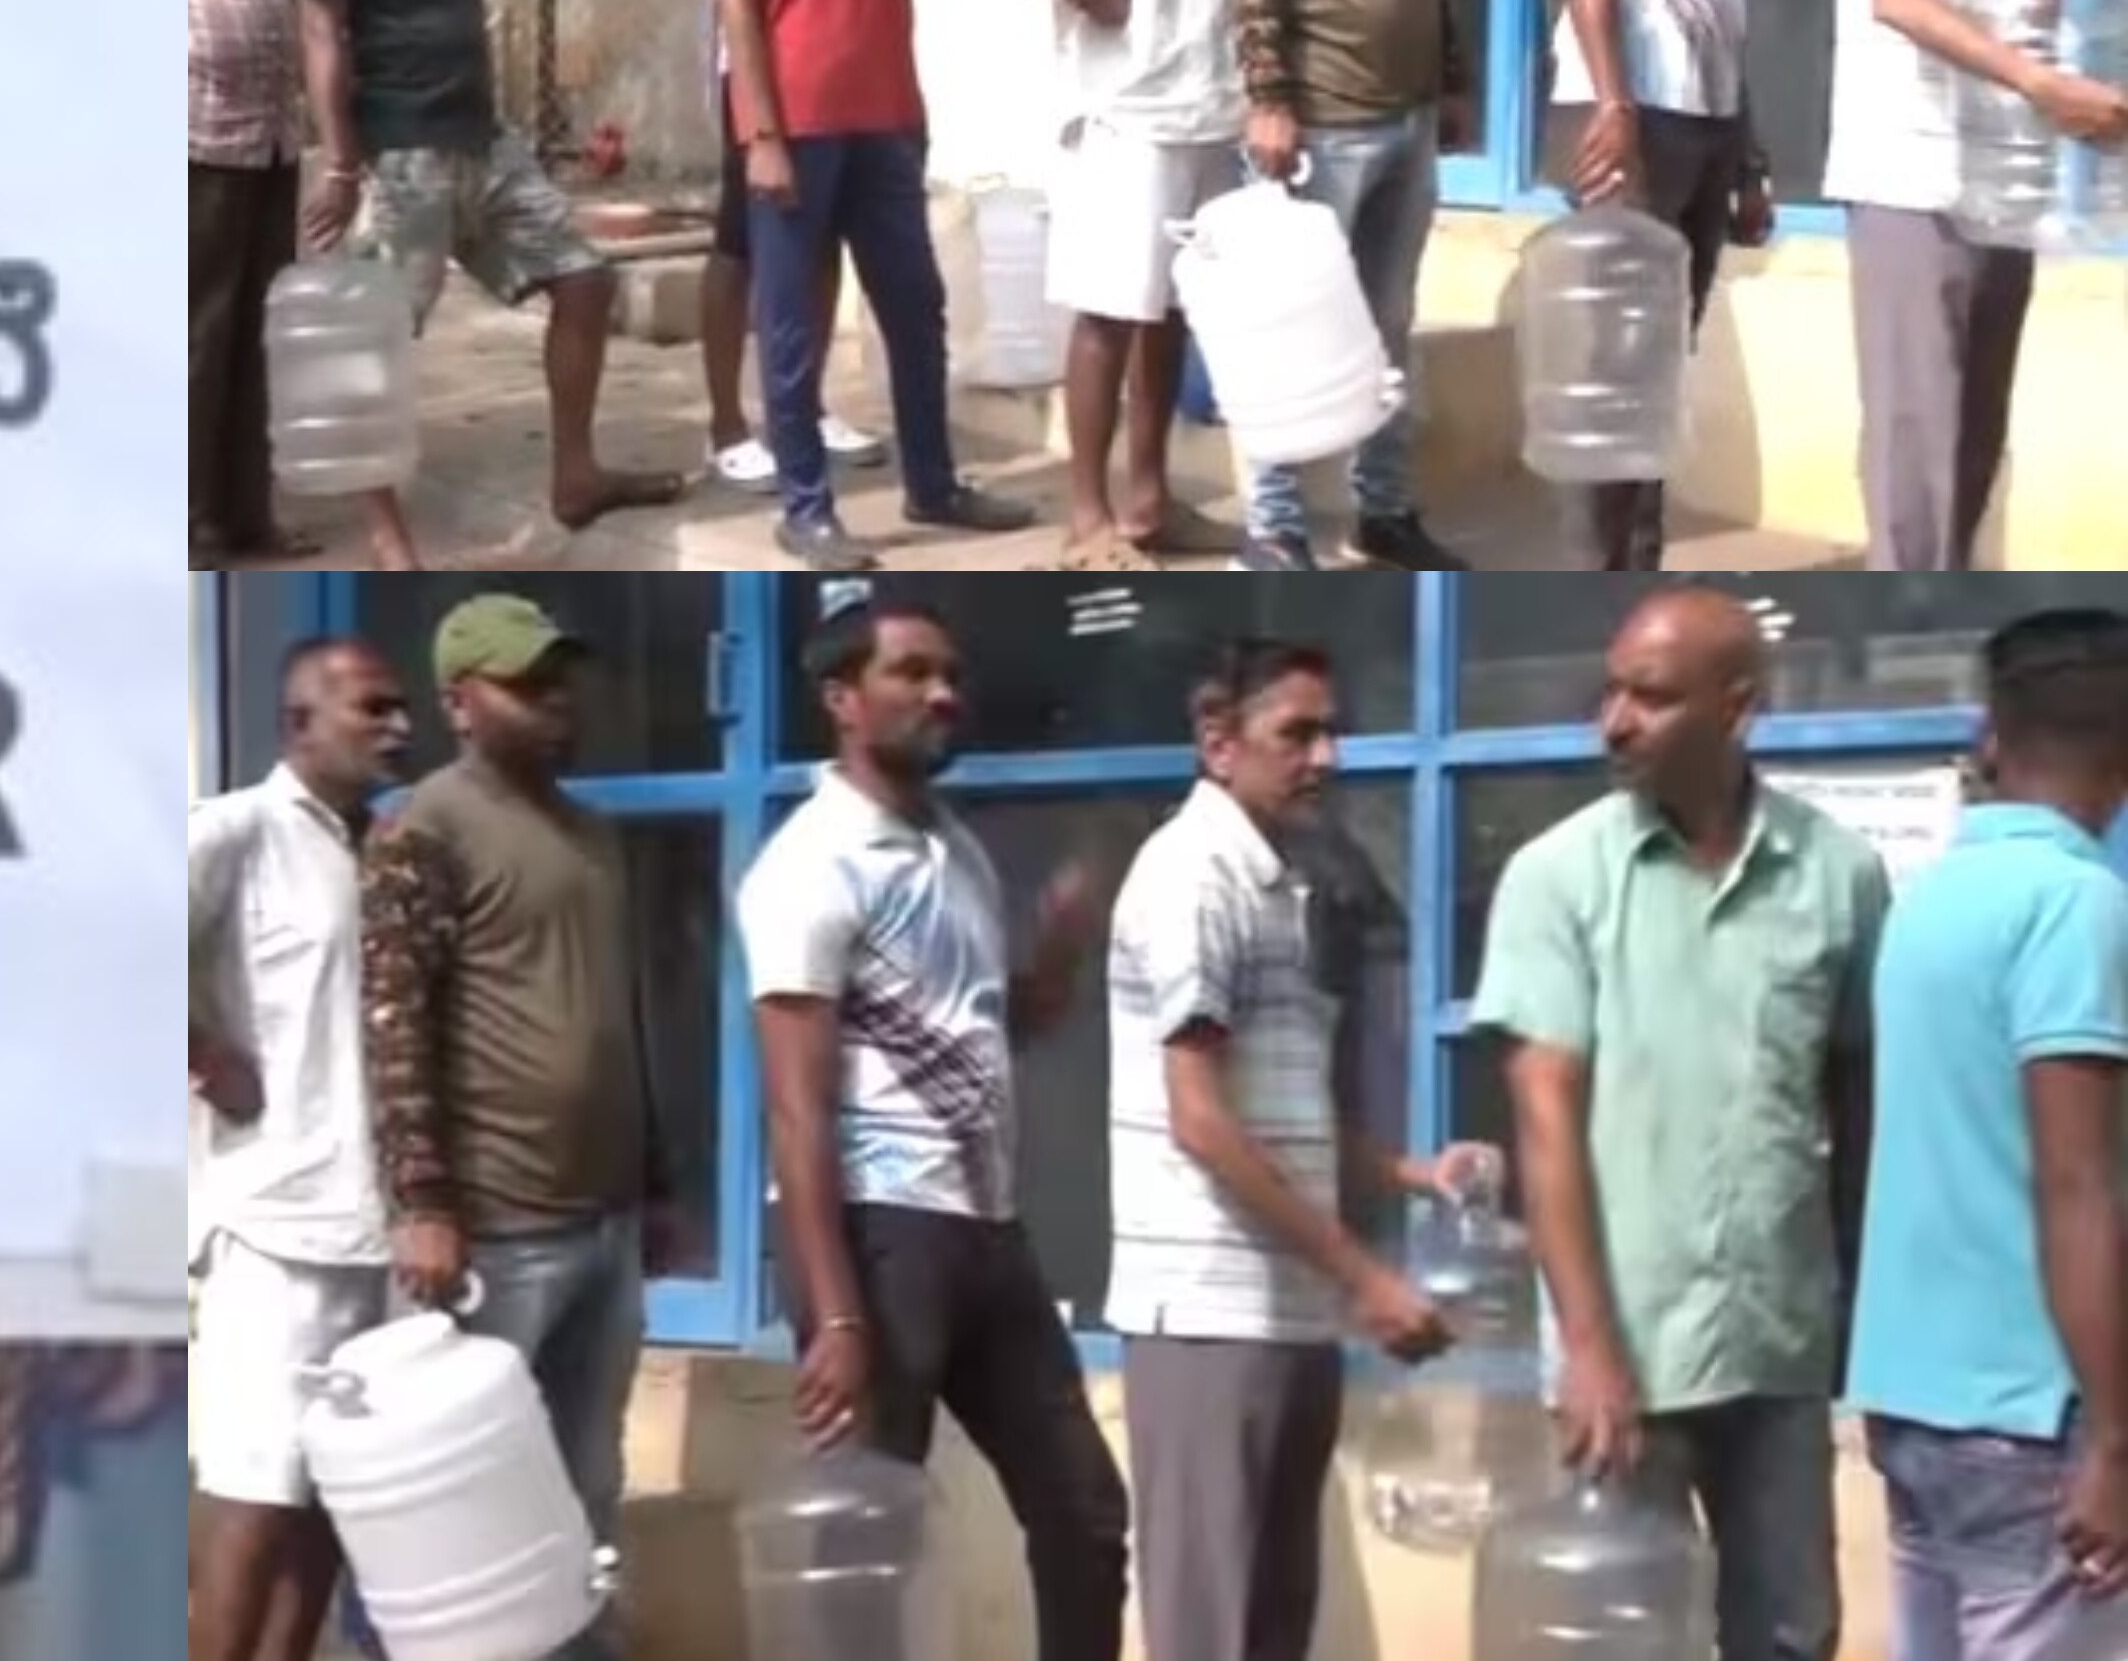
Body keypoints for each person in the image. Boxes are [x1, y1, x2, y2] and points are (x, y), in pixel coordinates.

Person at [1470, 586, 1891, 1661]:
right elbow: (1545, 1115)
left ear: (1737, 707)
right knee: (1616, 1639)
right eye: (1608, 690)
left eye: (1649, 697)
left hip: (1777, 1347)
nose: (1612, 720)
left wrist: (1863, 1316)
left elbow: (1858, 1099)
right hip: (1627, 1358)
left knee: (1791, 1633)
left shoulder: (1838, 876)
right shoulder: (1556, 878)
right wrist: (1592, 1345)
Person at [735, 598, 1126, 1661]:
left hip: (985, 1229)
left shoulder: (951, 846)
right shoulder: (809, 865)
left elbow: (984, 1025)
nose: (942, 692)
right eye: (910, 671)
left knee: (1085, 1511)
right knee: (867, 1537)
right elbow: (795, 1105)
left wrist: (1050, 963)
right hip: (874, 1236)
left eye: (949, 672)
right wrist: (838, 1317)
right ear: (840, 698)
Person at [1105, 637, 1497, 1661]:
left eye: (1332, 731)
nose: (1325, 756)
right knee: (1212, 1625)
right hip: (1204, 1308)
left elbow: (1278, 1102)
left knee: (1274, 1620)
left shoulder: (1278, 878)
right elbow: (1200, 1114)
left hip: (1282, 1309)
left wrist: (1404, 1172)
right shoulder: (1193, 875)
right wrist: (1363, 1271)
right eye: (1297, 732)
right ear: (1217, 742)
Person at [358, 593, 664, 1661]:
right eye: (524, 684)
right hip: (495, 1231)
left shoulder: (592, 833)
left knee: (584, 1490)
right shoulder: (422, 829)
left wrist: (657, 1181)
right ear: (458, 700)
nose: (554, 702)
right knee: (463, 1517)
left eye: (558, 680)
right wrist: (424, 1203)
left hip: (605, 1222)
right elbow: (395, 1025)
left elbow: (621, 1014)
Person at [296, 0, 682, 565]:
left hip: (483, 140)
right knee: (378, 345)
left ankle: (575, 476)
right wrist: (337, 162)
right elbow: (322, 32)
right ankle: (389, 537)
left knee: (584, 280)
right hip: (400, 158)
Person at [700, 0, 1038, 571]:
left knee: (915, 308)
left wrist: (913, 108)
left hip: (885, 118)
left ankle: (933, 485)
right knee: (793, 325)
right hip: (794, 127)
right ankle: (807, 507)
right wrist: (759, 134)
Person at [1851, 608, 2128, 1661]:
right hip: (2029, 1412)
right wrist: (2113, 1433)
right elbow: (2076, 1183)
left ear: (1992, 737)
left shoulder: (1930, 899)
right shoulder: (2073, 903)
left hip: (1916, 1402)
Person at [1822, 0, 2128, 572]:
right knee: (1917, 440)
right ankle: (1904, 604)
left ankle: (1944, 590)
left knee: (1972, 439)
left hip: (2004, 183)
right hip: (1917, 176)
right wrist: (2041, 87)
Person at [948, 0, 1243, 572]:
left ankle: (1152, 503)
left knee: (1170, 316)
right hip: (1122, 114)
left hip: (1203, 108)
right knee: (1111, 317)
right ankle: (1088, 518)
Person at [187, 638, 417, 1661]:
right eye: (371, 707)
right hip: (273, 1225)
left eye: (400, 707)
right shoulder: (235, 831)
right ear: (299, 723)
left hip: (380, 1231)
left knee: (335, 1500)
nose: (396, 727)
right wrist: (202, 1052)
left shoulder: (386, 846)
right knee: (257, 1499)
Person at [1224, 0, 1473, 574]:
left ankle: (1385, 507)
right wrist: (1270, 99)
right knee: (1292, 324)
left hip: (1407, 114)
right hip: (1321, 116)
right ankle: (1276, 521)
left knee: (1388, 320)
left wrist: (1451, 79)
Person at [1547, 0, 1778, 572]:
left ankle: (1637, 561)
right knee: (1618, 362)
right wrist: (1612, 101)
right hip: (1631, 111)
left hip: (1704, 120)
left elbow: (1722, 2)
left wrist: (1749, 155)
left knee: (1659, 363)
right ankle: (1596, 575)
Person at [682, 0, 887, 495]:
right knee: (741, 245)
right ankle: (726, 423)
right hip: (761, 72)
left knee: (824, 236)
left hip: (840, 80)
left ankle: (800, 407)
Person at [188, 0, 317, 571]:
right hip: (193, 139)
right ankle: (195, 521)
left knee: (261, 335)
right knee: (201, 333)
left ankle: (250, 516)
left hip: (272, 138)